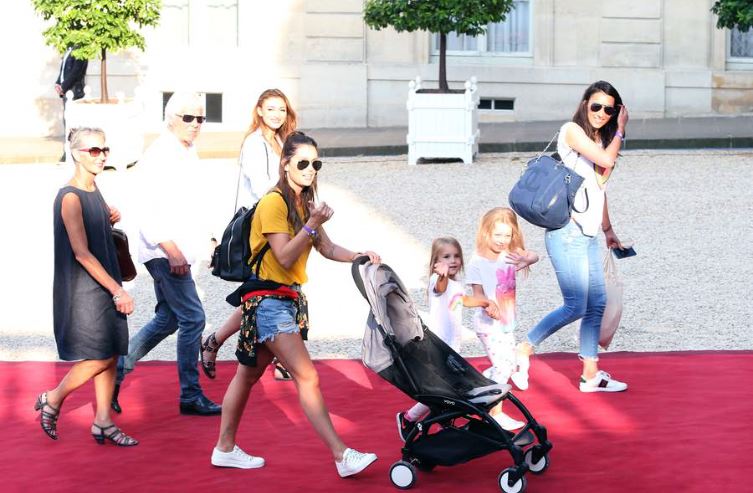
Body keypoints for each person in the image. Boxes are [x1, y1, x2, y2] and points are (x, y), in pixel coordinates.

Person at [210, 131, 379, 477]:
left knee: (247, 375)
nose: (310, 170)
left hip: (284, 300)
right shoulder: (274, 203)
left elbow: (326, 248)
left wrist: (359, 255)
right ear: (285, 164)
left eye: (316, 164)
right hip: (269, 301)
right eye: (303, 163)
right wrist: (313, 224)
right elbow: (285, 257)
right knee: (307, 376)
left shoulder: (303, 203)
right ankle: (341, 454)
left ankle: (224, 449)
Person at [516, 80, 630, 393]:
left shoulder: (599, 140)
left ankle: (590, 375)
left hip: (590, 234)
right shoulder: (572, 131)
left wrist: (608, 230)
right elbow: (606, 162)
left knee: (597, 303)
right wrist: (621, 129)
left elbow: (600, 189)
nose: (603, 113)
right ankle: (524, 348)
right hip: (566, 233)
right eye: (597, 106)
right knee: (576, 304)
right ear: (584, 105)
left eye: (610, 109)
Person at [112, 92, 222, 416]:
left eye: (200, 118)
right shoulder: (161, 154)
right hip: (165, 252)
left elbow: (192, 204)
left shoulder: (187, 151)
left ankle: (114, 372)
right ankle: (190, 394)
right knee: (194, 318)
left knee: (168, 318)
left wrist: (210, 240)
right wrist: (171, 249)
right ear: (170, 117)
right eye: (188, 117)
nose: (195, 124)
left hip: (177, 251)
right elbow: (146, 208)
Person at [35, 127, 137, 446]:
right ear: (77, 154)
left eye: (104, 150)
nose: (101, 156)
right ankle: (52, 398)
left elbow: (94, 233)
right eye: (94, 151)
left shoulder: (94, 189)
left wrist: (109, 219)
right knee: (98, 356)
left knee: (112, 351)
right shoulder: (69, 197)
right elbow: (80, 253)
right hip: (84, 289)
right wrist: (117, 290)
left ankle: (103, 421)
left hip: (103, 281)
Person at [201, 89, 297, 381]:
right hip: (263, 227)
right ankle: (217, 341)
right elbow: (262, 187)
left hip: (281, 222)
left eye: (281, 109)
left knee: (272, 292)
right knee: (268, 292)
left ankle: (218, 342)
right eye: (271, 109)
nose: (277, 115)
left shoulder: (282, 140)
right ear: (259, 111)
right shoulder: (255, 143)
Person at [396, 236, 523, 439]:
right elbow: (441, 288)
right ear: (436, 262)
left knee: (449, 390)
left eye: (456, 256)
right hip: (437, 347)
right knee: (440, 391)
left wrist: (484, 302)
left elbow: (463, 300)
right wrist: (442, 276)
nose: (453, 260)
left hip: (451, 347)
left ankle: (442, 420)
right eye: (446, 257)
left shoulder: (455, 284)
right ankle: (409, 417)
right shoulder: (437, 281)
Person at [466, 208, 539, 429]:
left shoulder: (510, 253)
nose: (502, 240)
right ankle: (495, 411)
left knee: (506, 365)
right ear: (486, 233)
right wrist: (488, 305)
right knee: (503, 366)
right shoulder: (477, 262)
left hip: (507, 321)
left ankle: (481, 386)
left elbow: (535, 255)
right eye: (498, 235)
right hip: (488, 323)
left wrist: (526, 260)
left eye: (507, 236)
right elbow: (476, 294)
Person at [55, 46, 88, 162]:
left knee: (74, 123)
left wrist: (63, 86)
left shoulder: (81, 50)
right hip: (67, 91)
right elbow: (63, 70)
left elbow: (76, 73)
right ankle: (68, 151)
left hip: (74, 91)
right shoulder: (68, 50)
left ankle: (74, 152)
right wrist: (58, 83)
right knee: (67, 121)